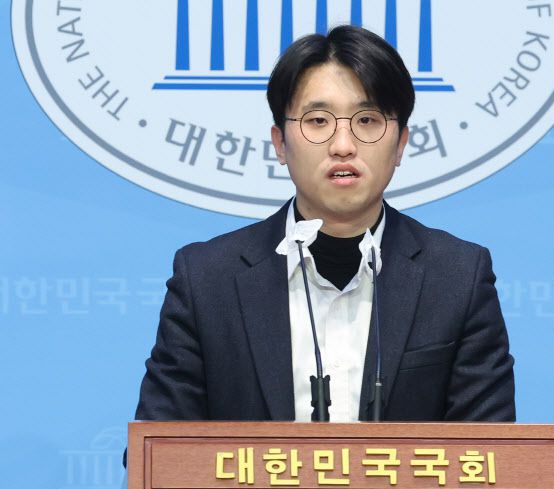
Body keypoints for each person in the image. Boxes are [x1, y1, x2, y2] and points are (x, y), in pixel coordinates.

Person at [133, 25, 515, 429]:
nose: (343, 145)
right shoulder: (208, 280)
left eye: (367, 119)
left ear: (401, 143)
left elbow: (492, 454)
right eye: (318, 120)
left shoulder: (457, 277)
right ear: (280, 143)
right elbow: (157, 451)